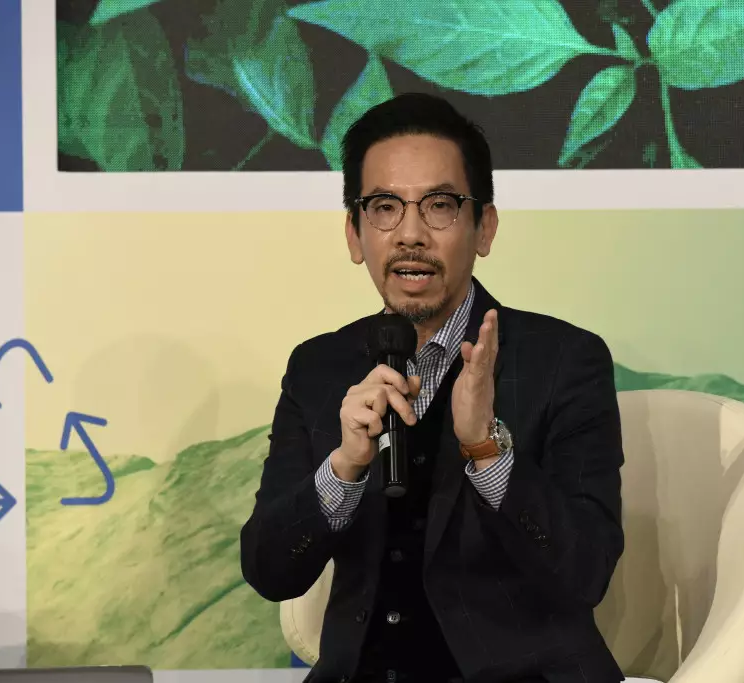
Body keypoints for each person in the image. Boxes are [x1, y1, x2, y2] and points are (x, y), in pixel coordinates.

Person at [240, 93, 626, 683]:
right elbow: (269, 570)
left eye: (440, 206)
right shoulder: (318, 367)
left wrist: (486, 450)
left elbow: (587, 571)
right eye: (384, 208)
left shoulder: (564, 361)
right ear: (354, 234)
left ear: (484, 227)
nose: (410, 235)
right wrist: (343, 468)